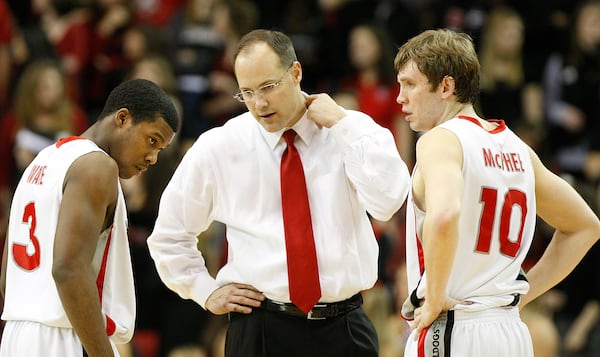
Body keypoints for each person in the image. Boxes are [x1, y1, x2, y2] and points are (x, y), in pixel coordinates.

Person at [147, 29, 410, 357]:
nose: (259, 103)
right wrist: (204, 290)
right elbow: (169, 237)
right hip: (260, 328)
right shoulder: (220, 146)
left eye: (268, 87)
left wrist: (344, 126)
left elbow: (389, 201)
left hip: (344, 325)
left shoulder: (350, 130)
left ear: (296, 73)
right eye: (246, 92)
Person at [394, 28, 600, 357]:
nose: (400, 97)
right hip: (509, 330)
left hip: (453, 325)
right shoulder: (518, 149)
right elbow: (585, 226)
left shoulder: (440, 140)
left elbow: (445, 216)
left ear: (446, 86)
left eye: (410, 84)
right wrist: (523, 295)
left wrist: (432, 299)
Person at [0, 78, 180, 356]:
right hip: (65, 337)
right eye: (151, 140)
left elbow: (6, 278)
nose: (153, 158)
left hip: (17, 334)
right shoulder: (97, 166)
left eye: (160, 149)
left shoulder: (43, 159)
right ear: (122, 119)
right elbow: (68, 270)